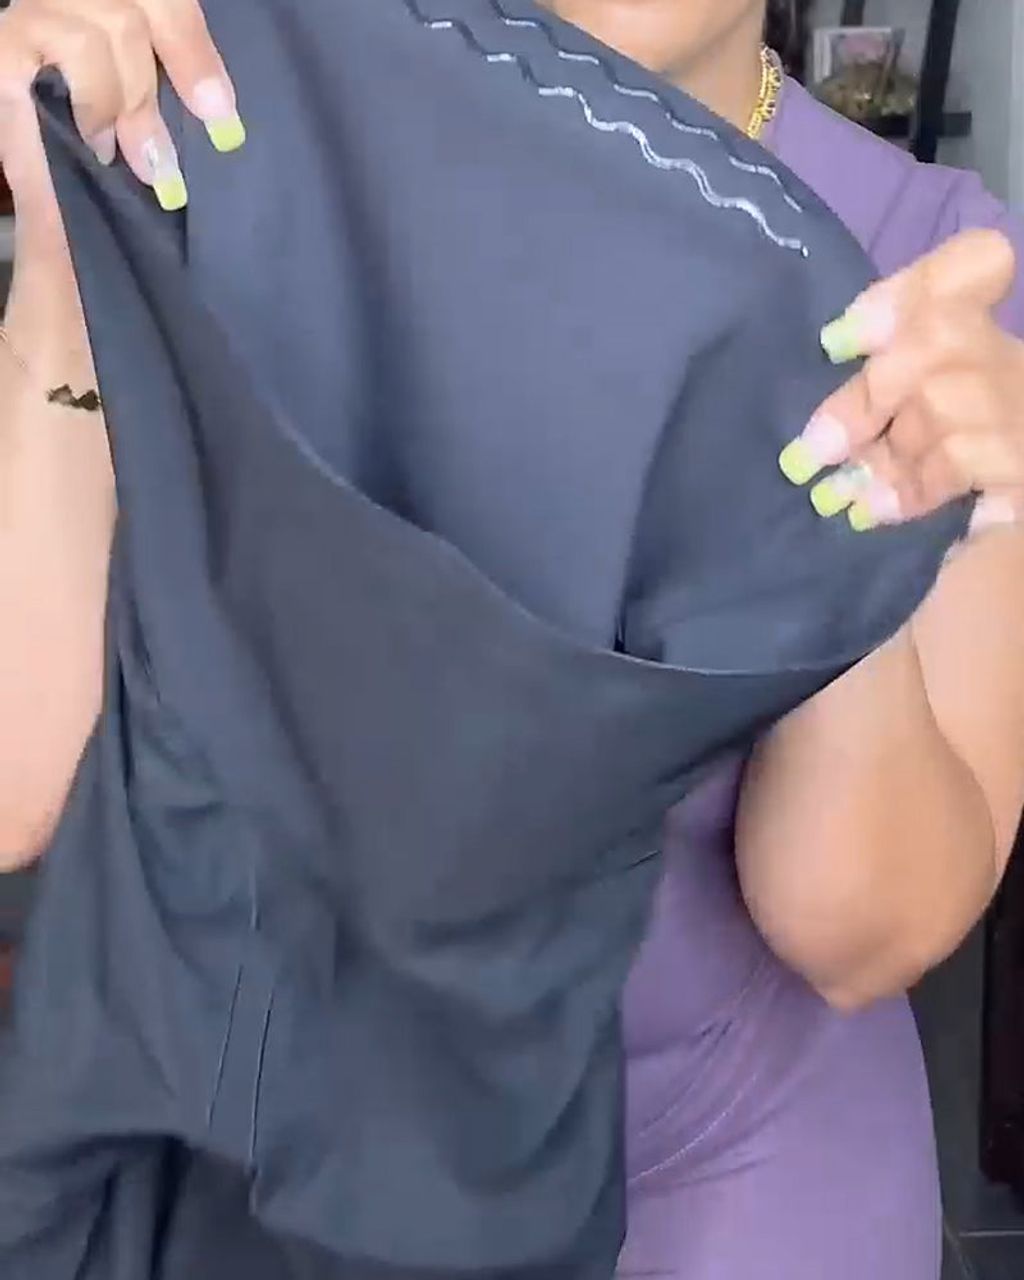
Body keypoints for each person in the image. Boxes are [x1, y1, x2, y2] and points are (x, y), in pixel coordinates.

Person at [0, 1, 1022, 1277]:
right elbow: (16, 781)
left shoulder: (931, 277)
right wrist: (64, 272)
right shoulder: (218, 113)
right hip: (277, 1174)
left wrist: (838, 515)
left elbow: (863, 933)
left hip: (741, 1184)